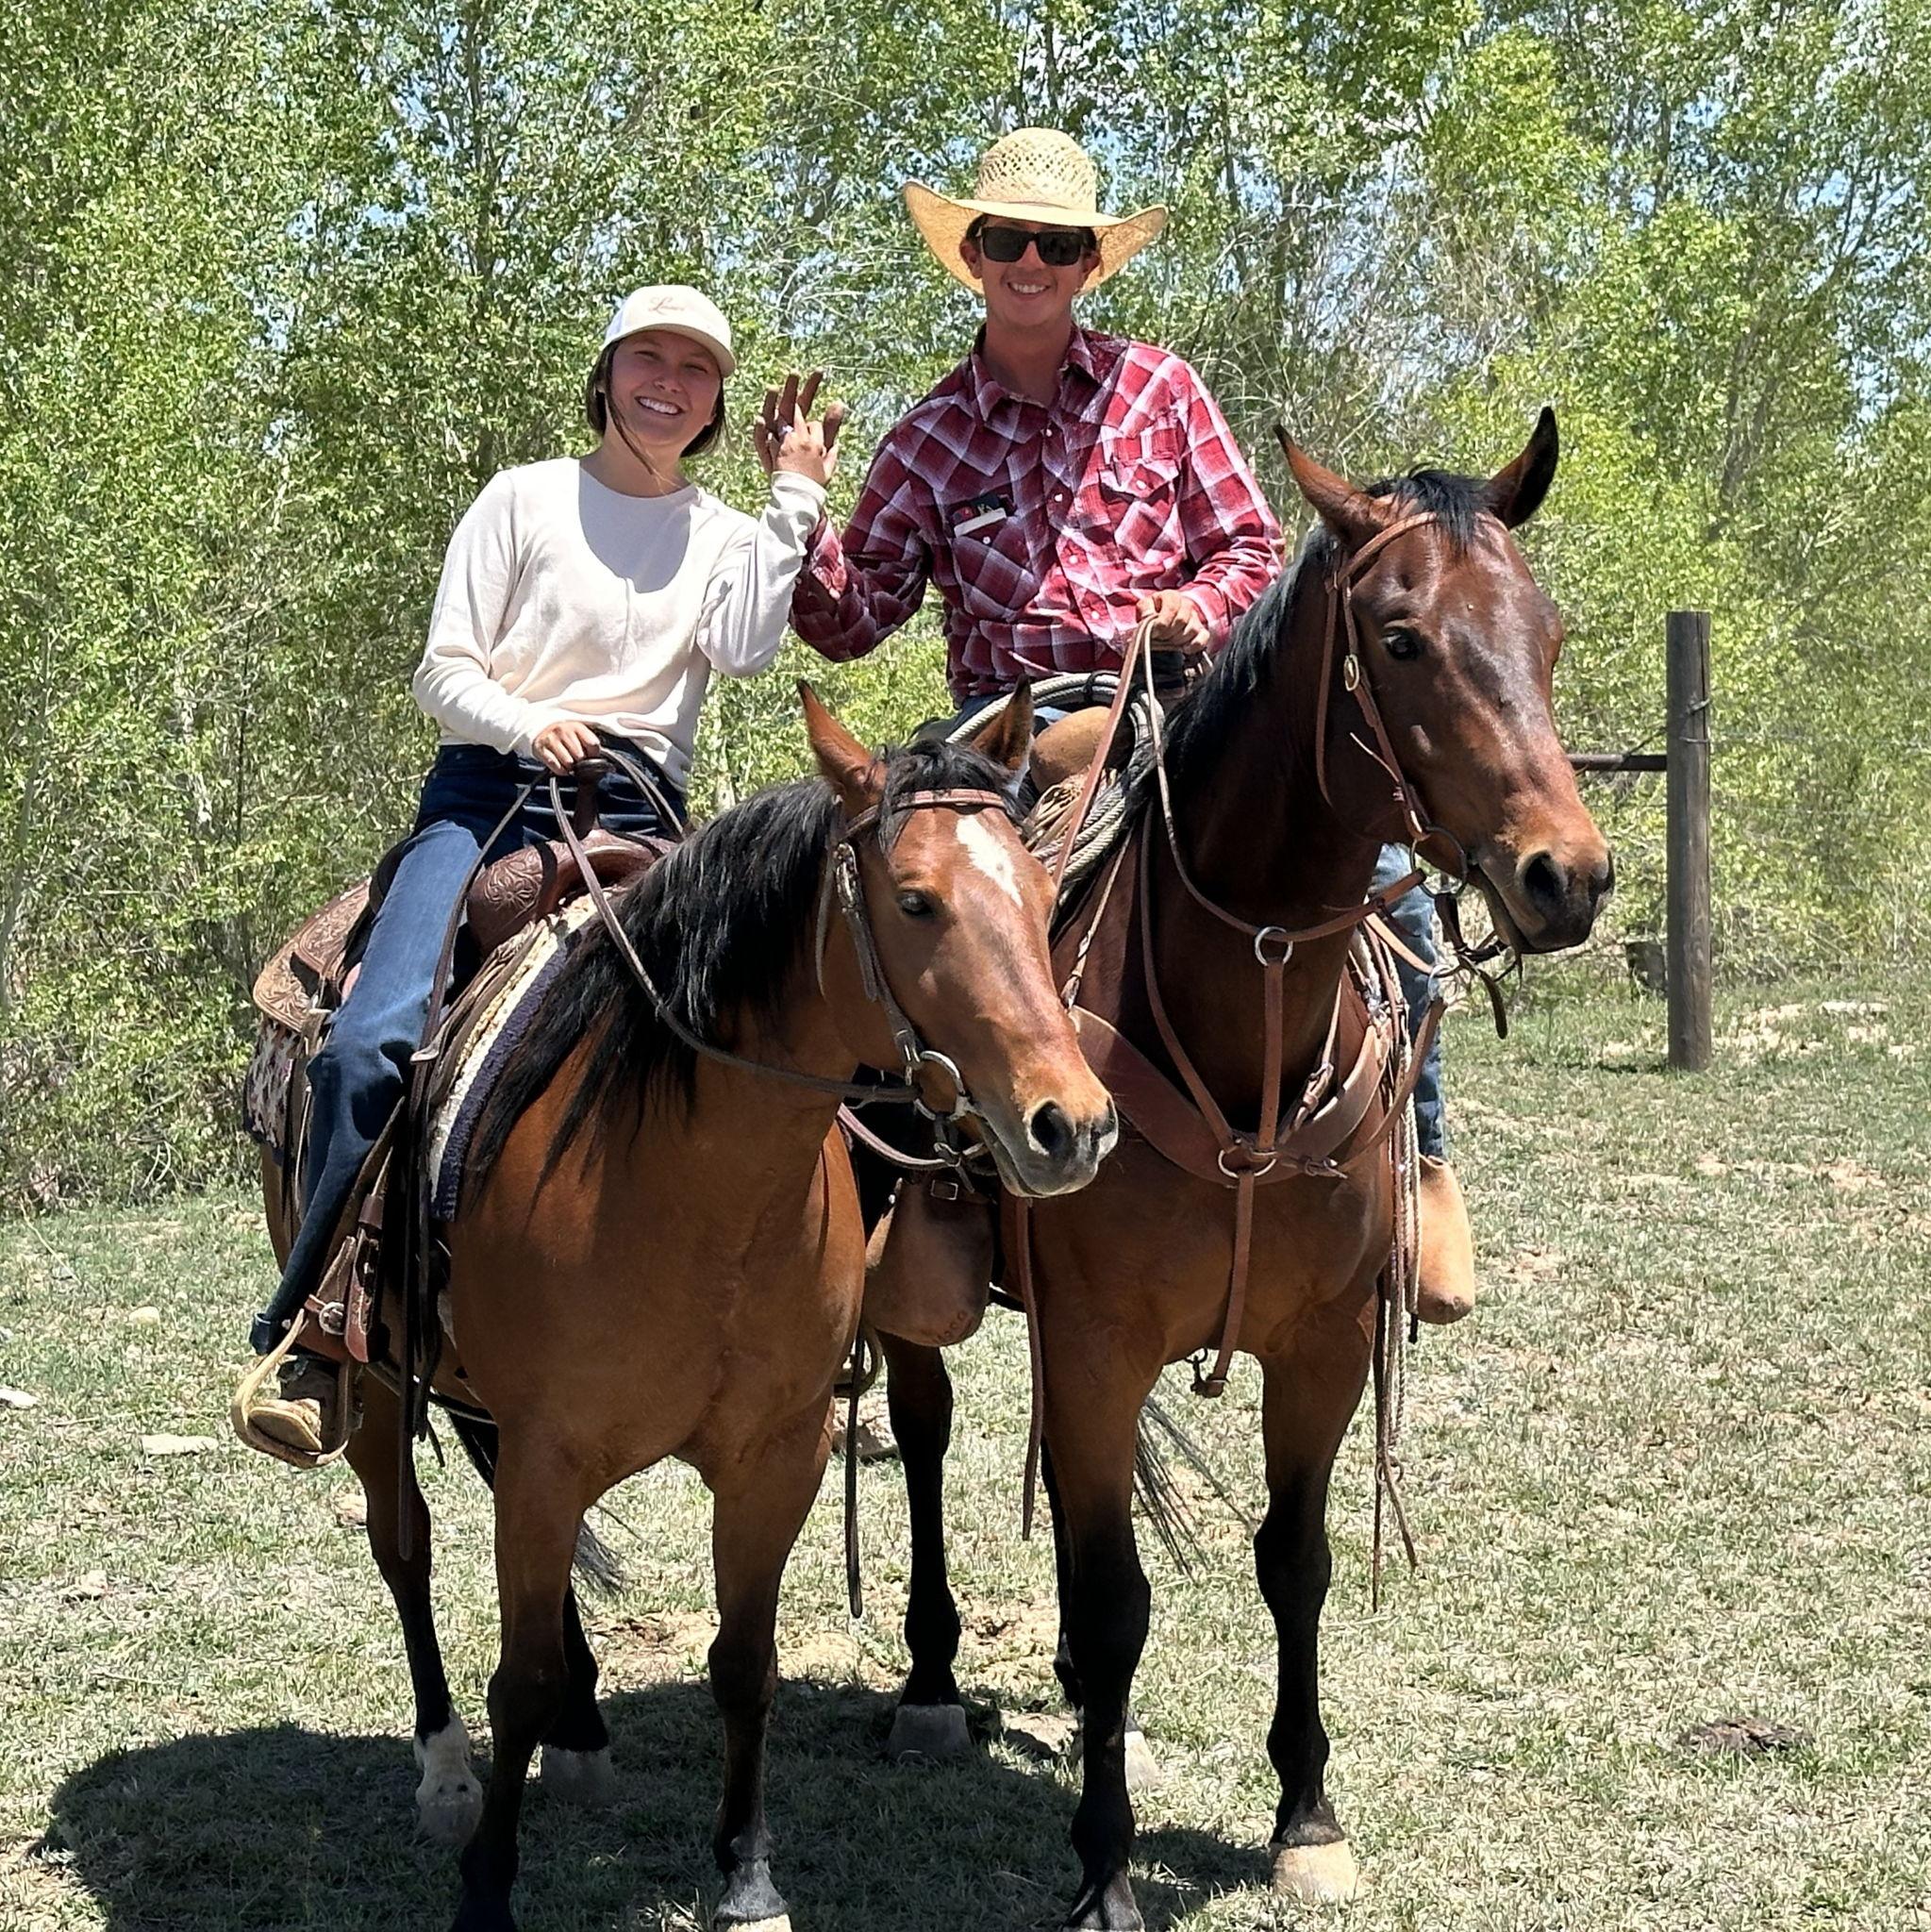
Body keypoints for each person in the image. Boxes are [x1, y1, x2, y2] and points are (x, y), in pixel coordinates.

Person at [766, 127, 1476, 1324]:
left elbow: (1249, 545)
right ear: (973, 255)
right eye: (1007, 239)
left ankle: (1422, 1151)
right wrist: (799, 504)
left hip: (1183, 703)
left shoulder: (1161, 389)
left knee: (1368, 858)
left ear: (1089, 263)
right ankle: (933, 1183)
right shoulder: (929, 434)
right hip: (1010, 729)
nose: (1029, 261)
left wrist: (1195, 607)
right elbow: (849, 621)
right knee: (928, 903)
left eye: (1056, 244)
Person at [243, 285, 837, 1461]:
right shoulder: (521, 498)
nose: (669, 383)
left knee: (790, 1020)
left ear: (717, 402)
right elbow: (442, 671)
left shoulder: (727, 531)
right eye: (647, 358)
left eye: (696, 369)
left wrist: (795, 498)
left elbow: (744, 650)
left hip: (646, 811)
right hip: (487, 798)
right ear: (607, 374)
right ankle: (321, 1328)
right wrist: (528, 721)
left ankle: (818, 1316)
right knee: (370, 1039)